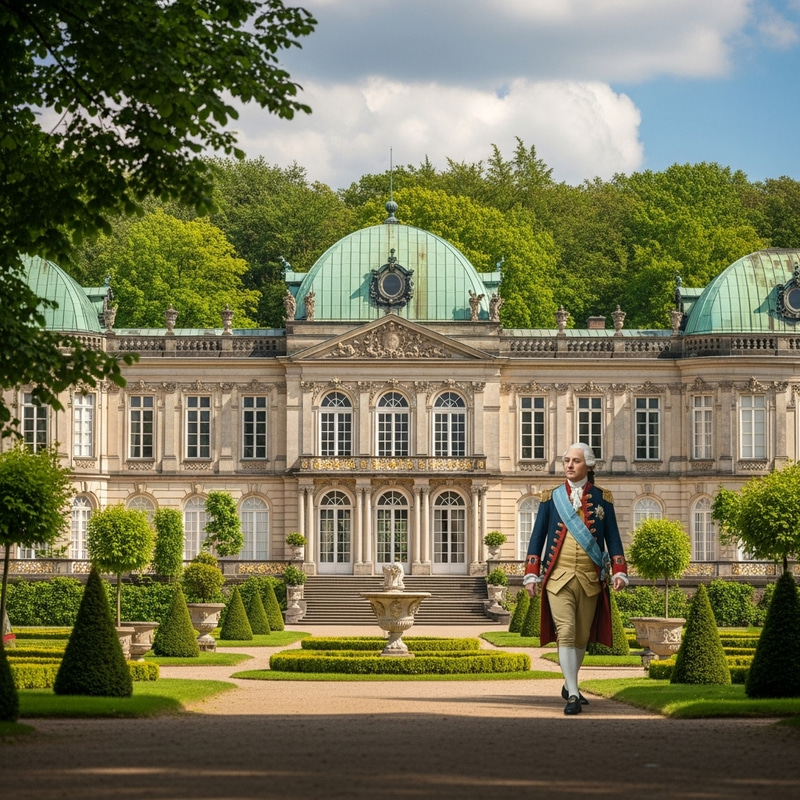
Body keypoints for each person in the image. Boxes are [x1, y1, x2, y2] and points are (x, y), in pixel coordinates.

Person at [523, 443, 628, 715]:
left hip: (590, 579)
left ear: (588, 465)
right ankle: (572, 695)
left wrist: (619, 570)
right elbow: (537, 537)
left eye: (575, 461)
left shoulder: (603, 498)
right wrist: (531, 573)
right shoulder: (551, 498)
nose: (569, 465)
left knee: (581, 637)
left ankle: (569, 684)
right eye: (567, 460)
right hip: (558, 578)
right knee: (566, 633)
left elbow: (613, 537)